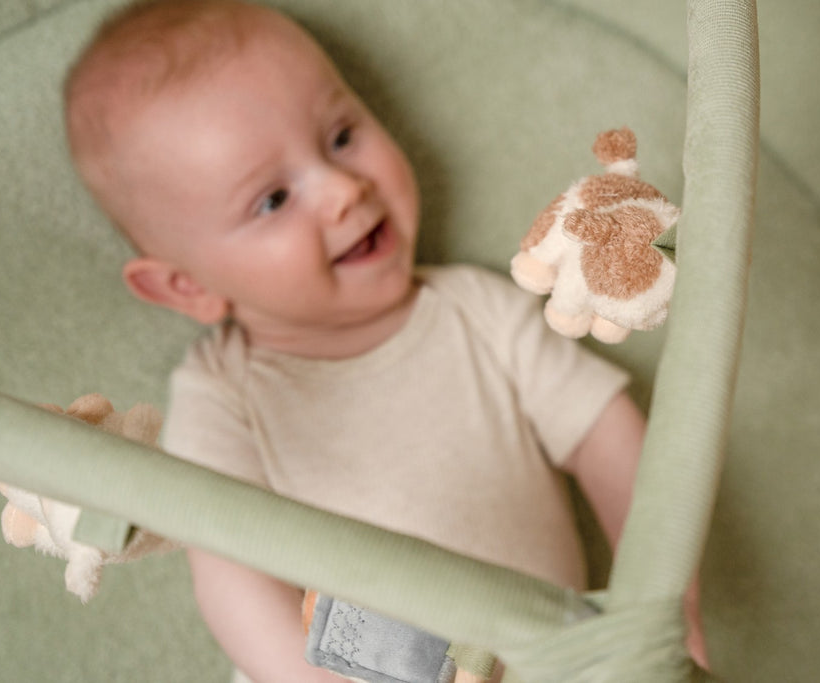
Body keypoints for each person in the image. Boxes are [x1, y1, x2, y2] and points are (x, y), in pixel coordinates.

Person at [63, 1, 705, 680]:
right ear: (187, 287)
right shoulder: (223, 392)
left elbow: (605, 433)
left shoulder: (477, 311)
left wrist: (664, 604)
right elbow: (229, 576)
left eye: (340, 136)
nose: (343, 188)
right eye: (273, 199)